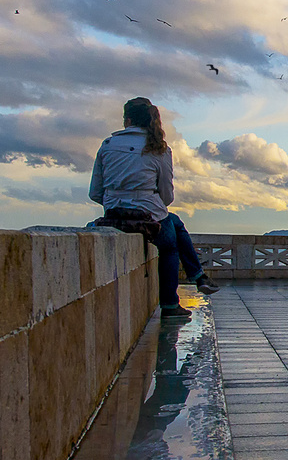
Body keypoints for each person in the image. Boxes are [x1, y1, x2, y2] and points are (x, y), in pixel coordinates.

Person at [89, 97, 220, 317]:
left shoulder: (107, 145)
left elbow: (95, 192)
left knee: (176, 223)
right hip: (149, 215)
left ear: (127, 120)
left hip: (113, 214)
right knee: (170, 245)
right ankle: (177, 297)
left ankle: (198, 277)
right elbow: (167, 197)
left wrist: (120, 202)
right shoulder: (159, 148)